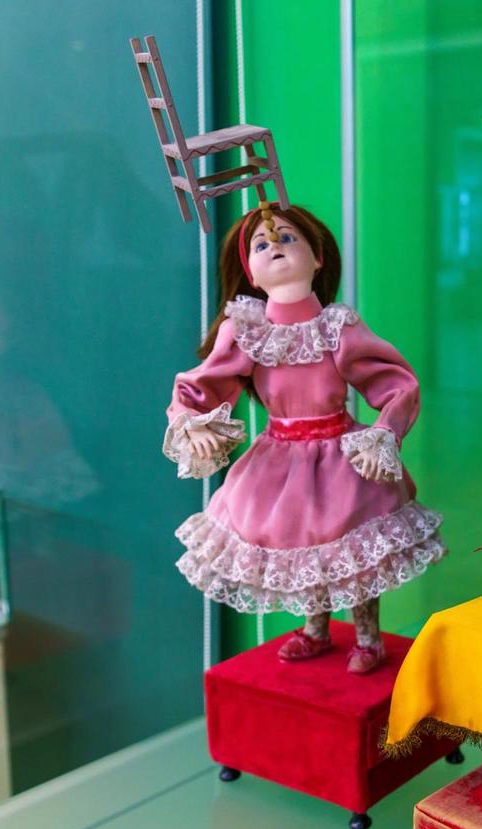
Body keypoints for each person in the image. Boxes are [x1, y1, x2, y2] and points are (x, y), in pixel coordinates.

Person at [165, 205, 445, 674]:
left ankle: (368, 638)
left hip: (340, 455)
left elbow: (395, 383)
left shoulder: (338, 327)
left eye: (288, 238)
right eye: (261, 244)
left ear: (318, 258)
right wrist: (190, 422)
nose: (274, 246)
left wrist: (384, 432)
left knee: (353, 551)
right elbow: (203, 383)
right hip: (279, 460)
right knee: (302, 543)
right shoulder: (246, 330)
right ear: (251, 274)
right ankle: (316, 629)